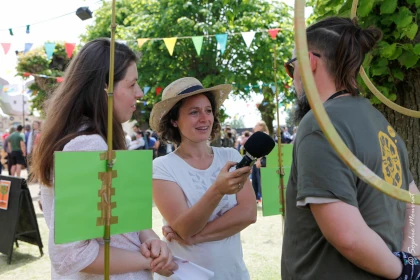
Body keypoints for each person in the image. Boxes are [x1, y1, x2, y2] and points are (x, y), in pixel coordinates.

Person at [281, 17, 419, 279]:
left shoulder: (320, 124)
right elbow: (413, 200)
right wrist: (410, 260)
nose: (292, 79)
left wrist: (401, 270)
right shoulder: (382, 124)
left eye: (291, 67)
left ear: (310, 61)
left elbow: (347, 236)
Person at [30, 38, 177, 279]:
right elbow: (71, 255)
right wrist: (149, 261)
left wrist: (149, 238)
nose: (139, 93)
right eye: (131, 85)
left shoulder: (95, 139)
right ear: (104, 89)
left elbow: (121, 216)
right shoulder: (88, 146)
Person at [150, 77, 257, 280]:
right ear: (174, 120)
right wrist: (218, 190)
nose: (204, 118)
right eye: (193, 112)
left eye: (208, 110)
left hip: (233, 274)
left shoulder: (231, 157)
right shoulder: (162, 167)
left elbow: (248, 213)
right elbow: (184, 227)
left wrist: (195, 237)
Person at [251, 121, 270, 203]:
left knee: (261, 183)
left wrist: (261, 160)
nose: (254, 127)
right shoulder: (257, 136)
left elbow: (266, 150)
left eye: (256, 125)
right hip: (255, 162)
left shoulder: (265, 135)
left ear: (261, 127)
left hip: (261, 163)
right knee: (255, 182)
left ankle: (264, 199)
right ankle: (255, 199)